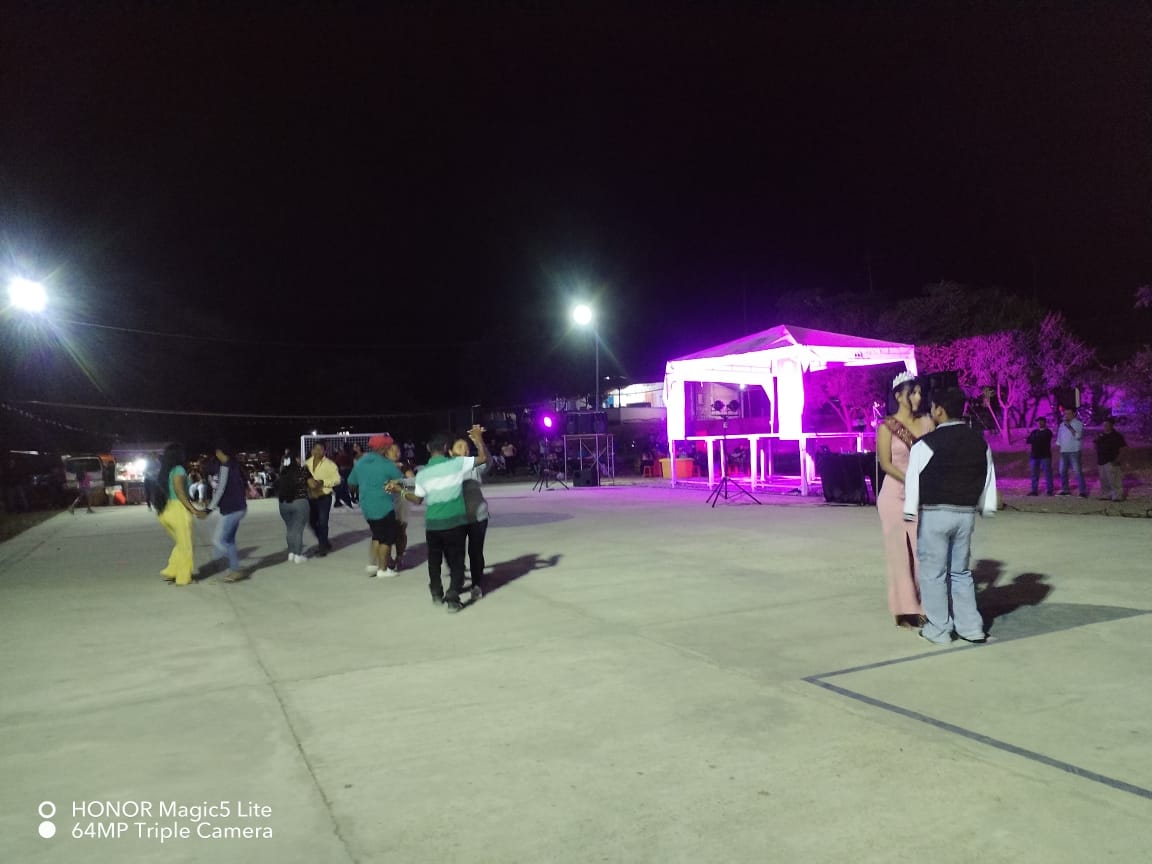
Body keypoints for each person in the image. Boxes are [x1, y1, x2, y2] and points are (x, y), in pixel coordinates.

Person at [903, 387, 998, 645]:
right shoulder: (979, 442)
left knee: (933, 573)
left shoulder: (925, 444)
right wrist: (987, 506)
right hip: (965, 514)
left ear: (939, 410)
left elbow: (913, 481)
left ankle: (939, 628)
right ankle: (971, 628)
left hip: (935, 514)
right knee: (961, 572)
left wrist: (909, 510)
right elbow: (988, 477)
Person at [387, 425, 488, 612]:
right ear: (447, 448)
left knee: (434, 561)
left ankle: (436, 592)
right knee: (457, 563)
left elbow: (417, 499)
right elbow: (483, 458)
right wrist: (478, 438)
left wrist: (400, 490)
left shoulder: (423, 473)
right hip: (454, 523)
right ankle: (452, 597)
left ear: (428, 448)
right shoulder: (456, 464)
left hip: (433, 525)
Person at [875, 372, 935, 629]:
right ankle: (903, 609)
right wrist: (911, 481)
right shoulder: (886, 427)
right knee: (899, 555)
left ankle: (924, 606)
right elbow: (885, 463)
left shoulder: (927, 423)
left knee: (923, 554)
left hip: (921, 497)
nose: (918, 397)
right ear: (899, 396)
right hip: (893, 497)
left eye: (920, 392)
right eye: (913, 393)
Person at [347, 434, 404, 579]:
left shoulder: (361, 462)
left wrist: (363, 488)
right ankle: (383, 569)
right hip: (384, 506)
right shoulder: (387, 465)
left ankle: (372, 566)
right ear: (383, 448)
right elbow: (403, 484)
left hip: (367, 506)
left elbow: (351, 483)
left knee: (377, 535)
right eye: (388, 446)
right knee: (387, 539)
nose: (390, 448)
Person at [151, 443, 208, 585]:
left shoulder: (165, 470)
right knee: (186, 546)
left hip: (166, 509)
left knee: (181, 544)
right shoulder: (178, 469)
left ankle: (172, 570)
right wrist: (194, 510)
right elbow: (180, 493)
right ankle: (183, 577)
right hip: (178, 510)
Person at [451, 431, 491, 591]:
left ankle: (477, 583)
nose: (465, 449)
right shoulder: (446, 467)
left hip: (478, 515)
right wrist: (401, 484)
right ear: (450, 452)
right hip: (457, 517)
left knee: (475, 551)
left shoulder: (474, 464)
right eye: (460, 446)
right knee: (456, 552)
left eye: (467, 447)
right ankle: (457, 582)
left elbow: (487, 462)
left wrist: (479, 441)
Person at [205, 445, 249, 583]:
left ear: (219, 452)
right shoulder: (234, 465)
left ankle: (235, 567)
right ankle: (235, 569)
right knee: (229, 541)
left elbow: (220, 489)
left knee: (219, 541)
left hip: (232, 509)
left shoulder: (225, 467)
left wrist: (208, 509)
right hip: (238, 507)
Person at [274, 454, 312, 563]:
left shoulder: (283, 472)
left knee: (290, 528)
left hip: (283, 504)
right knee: (298, 529)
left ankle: (291, 553)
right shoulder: (303, 470)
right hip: (300, 502)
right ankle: (298, 555)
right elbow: (312, 484)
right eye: (299, 458)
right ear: (296, 459)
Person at [305, 443, 341, 556]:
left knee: (323, 522)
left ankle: (322, 547)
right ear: (312, 450)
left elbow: (337, 480)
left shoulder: (330, 464)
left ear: (325, 451)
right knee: (312, 522)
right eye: (315, 449)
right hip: (311, 497)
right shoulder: (307, 463)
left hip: (324, 497)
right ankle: (324, 542)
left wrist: (323, 482)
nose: (318, 451)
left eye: (320, 449)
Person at [384, 442, 415, 571]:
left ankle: (399, 557)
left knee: (401, 531)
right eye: (393, 450)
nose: (396, 453)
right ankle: (387, 558)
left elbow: (413, 482)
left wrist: (398, 482)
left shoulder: (404, 466)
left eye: (398, 450)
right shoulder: (381, 467)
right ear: (386, 453)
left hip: (401, 503)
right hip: (385, 503)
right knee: (386, 532)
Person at [1056, 407, 1086, 496]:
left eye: (1069, 414)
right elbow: (1059, 438)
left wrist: (1069, 426)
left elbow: (1078, 436)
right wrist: (1060, 448)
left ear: (1074, 414)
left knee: (1077, 471)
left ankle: (1082, 491)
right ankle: (1065, 490)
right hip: (1063, 451)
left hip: (1074, 451)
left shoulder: (1078, 424)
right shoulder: (1062, 424)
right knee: (1062, 471)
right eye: (1065, 414)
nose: (1066, 415)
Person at [1095, 419, 1127, 502]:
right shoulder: (1100, 435)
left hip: (1112, 460)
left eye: (1107, 425)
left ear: (1112, 425)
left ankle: (1117, 495)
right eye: (1104, 425)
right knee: (1104, 479)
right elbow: (1095, 444)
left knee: (1115, 479)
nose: (1105, 427)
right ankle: (1106, 494)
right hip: (1101, 461)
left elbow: (1123, 448)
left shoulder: (1117, 436)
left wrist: (1118, 459)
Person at [1025, 416, 1054, 496]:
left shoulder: (1048, 432)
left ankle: (1050, 490)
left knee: (1047, 473)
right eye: (1038, 421)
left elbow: (1042, 440)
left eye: (1041, 421)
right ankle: (1034, 491)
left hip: (1045, 456)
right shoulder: (1034, 432)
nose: (1039, 423)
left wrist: (1034, 439)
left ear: (1045, 422)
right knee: (1034, 474)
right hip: (1034, 456)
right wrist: (1034, 439)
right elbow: (1028, 441)